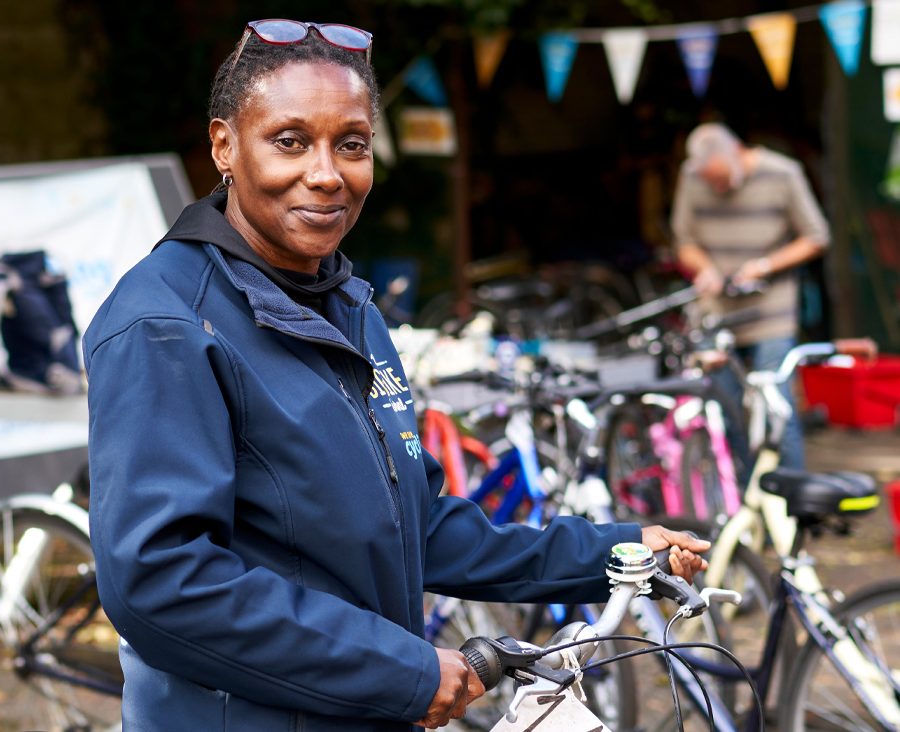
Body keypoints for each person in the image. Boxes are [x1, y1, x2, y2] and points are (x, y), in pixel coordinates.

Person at [85, 19, 709, 732]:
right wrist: (402, 670)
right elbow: (162, 583)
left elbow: (415, 528)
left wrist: (610, 552)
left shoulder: (346, 304)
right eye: (290, 141)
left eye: (350, 144)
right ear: (225, 145)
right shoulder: (166, 323)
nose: (326, 173)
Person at [671, 123, 830, 473]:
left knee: (777, 411)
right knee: (723, 412)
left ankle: (790, 510)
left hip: (770, 312)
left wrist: (764, 266)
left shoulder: (783, 173)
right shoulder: (692, 175)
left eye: (722, 179)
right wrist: (704, 268)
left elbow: (817, 236)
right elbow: (683, 242)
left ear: (738, 152)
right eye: (710, 181)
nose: (717, 187)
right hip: (716, 312)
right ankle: (743, 504)